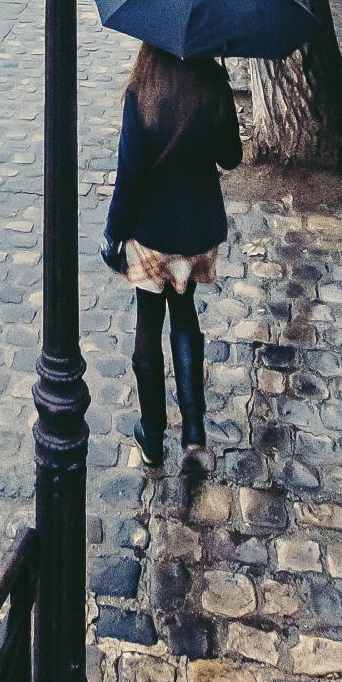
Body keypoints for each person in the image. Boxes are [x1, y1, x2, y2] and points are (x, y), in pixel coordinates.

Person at [100, 42, 242, 468]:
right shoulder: (212, 83)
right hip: (197, 230)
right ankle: (194, 434)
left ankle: (153, 433)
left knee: (149, 324)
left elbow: (129, 175)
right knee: (183, 314)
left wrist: (113, 234)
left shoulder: (142, 91)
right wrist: (220, 90)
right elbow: (231, 158)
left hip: (152, 232)